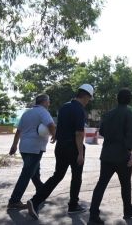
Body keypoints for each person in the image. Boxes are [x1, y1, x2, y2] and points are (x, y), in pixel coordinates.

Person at [27, 83, 94, 220]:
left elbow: (59, 127)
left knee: (57, 175)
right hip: (73, 148)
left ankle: (35, 201)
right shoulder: (80, 110)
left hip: (61, 147)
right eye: (89, 98)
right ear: (86, 96)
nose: (88, 101)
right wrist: (80, 153)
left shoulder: (64, 107)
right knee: (76, 176)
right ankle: (73, 205)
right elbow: (79, 133)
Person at [88, 88, 132, 225]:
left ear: (117, 99)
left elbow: (103, 132)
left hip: (106, 155)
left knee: (101, 184)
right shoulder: (129, 113)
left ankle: (93, 215)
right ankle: (128, 210)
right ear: (129, 99)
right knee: (125, 184)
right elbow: (130, 134)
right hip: (122, 155)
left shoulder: (108, 114)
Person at [7, 94, 56, 210]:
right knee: (27, 174)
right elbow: (51, 124)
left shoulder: (27, 113)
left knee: (34, 172)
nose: (49, 104)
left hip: (24, 147)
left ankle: (41, 191)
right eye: (48, 102)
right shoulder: (43, 112)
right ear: (44, 102)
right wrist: (55, 135)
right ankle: (14, 200)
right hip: (35, 148)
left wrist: (14, 145)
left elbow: (18, 131)